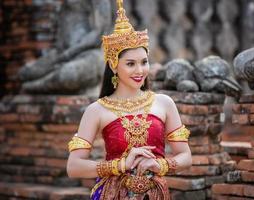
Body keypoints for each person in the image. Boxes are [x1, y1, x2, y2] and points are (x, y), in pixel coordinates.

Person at [66, 0, 192, 199]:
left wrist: (159, 164)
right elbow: (74, 167)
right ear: (114, 65)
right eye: (130, 64)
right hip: (112, 194)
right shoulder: (97, 110)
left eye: (144, 62)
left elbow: (186, 157)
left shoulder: (164, 103)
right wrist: (122, 164)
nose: (140, 70)